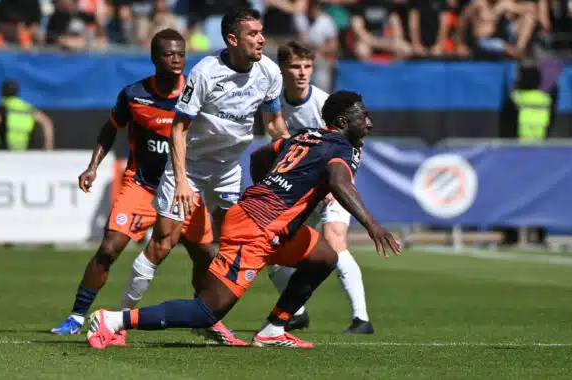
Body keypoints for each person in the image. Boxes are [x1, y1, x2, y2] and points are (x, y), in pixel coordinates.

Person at [86, 90, 402, 349]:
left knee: (324, 256)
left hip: (265, 221)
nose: (369, 124)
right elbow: (338, 181)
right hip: (257, 229)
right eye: (364, 117)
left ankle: (273, 330)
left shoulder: (307, 138)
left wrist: (268, 189)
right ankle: (114, 320)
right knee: (206, 311)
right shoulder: (340, 148)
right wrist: (372, 225)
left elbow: (260, 156)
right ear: (344, 121)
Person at [116, 7, 290, 346]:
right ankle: (118, 321)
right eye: (253, 33)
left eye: (261, 32)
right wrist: (181, 180)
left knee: (234, 245)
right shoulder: (206, 73)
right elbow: (179, 128)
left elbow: (273, 124)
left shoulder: (269, 71)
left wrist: (287, 158)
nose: (262, 39)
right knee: (163, 243)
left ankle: (210, 319)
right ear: (232, 39)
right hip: (190, 167)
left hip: (228, 169)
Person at [49, 29, 214, 342]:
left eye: (181, 53)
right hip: (143, 186)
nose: (177, 59)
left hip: (182, 187)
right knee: (109, 249)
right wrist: (93, 166)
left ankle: (203, 317)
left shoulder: (196, 93)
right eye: (169, 53)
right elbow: (110, 129)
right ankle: (76, 315)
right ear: (154, 58)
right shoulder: (134, 95)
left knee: (205, 254)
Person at [268, 40, 374, 334]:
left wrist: (337, 184)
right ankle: (296, 312)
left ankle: (361, 318)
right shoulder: (273, 103)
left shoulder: (324, 105)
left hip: (331, 188)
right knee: (272, 251)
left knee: (335, 240)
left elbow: (353, 146)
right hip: (300, 192)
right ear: (282, 69)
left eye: (307, 66)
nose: (302, 73)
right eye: (295, 66)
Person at [0, 80, 55, 151]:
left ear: (1, 93)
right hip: (24, 152)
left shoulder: (2, 109)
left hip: (3, 153)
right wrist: (48, 146)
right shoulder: (28, 109)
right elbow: (47, 123)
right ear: (17, 92)